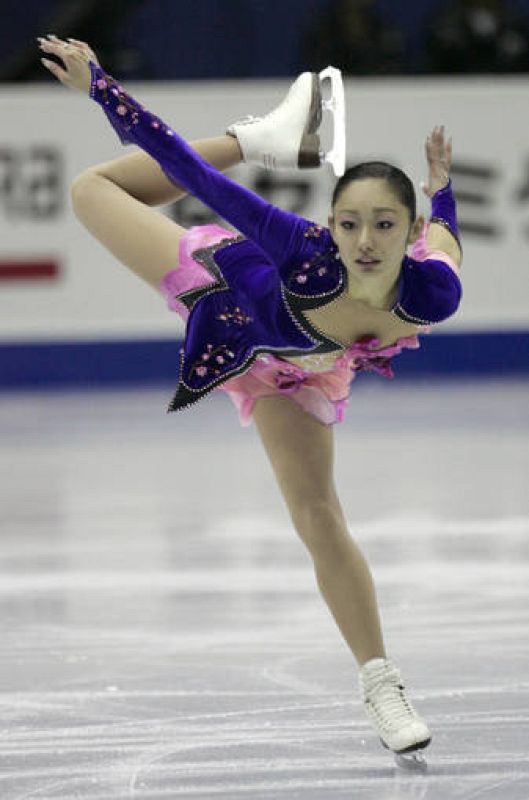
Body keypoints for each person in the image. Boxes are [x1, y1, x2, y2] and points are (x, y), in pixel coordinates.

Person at [38, 33, 462, 766]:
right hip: (225, 296)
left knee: (317, 514)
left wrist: (440, 185)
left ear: (410, 232)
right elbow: (180, 167)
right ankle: (255, 138)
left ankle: (382, 686)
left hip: (298, 369)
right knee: (90, 190)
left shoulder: (433, 290)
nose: (364, 241)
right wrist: (101, 84)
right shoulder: (299, 251)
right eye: (349, 223)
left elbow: (449, 230)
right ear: (328, 226)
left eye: (385, 225)